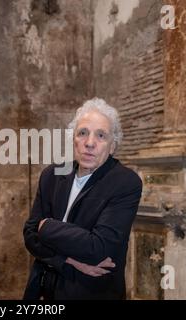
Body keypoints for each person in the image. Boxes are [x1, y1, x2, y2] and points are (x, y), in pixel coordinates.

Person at [23, 98, 142, 300]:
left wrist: (47, 227)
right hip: (44, 288)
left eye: (101, 135)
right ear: (73, 139)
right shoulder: (52, 175)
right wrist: (70, 260)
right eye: (83, 133)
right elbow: (30, 235)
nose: (89, 143)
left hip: (89, 292)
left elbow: (98, 248)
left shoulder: (125, 182)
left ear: (112, 146)